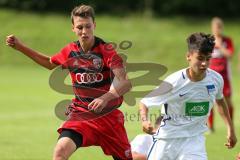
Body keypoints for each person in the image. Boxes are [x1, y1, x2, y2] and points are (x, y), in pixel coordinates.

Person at [6, 4, 133, 160]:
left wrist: (104, 98)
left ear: (94, 25)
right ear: (73, 28)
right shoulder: (70, 51)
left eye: (88, 26)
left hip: (110, 119)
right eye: (80, 27)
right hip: (82, 116)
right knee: (60, 152)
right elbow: (48, 62)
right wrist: (20, 47)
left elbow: (125, 83)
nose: (84, 31)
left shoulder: (107, 51)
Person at [139, 32, 237, 160]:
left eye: (208, 58)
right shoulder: (173, 82)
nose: (204, 63)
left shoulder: (216, 79)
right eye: (200, 58)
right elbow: (145, 102)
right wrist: (145, 121)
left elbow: (220, 101)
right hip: (167, 140)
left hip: (194, 141)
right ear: (188, 56)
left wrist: (230, 128)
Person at [208, 17, 235, 132]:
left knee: (227, 101)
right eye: (215, 27)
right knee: (210, 101)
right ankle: (210, 126)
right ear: (212, 28)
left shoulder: (227, 40)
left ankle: (231, 124)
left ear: (222, 28)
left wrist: (220, 46)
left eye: (219, 27)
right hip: (211, 76)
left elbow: (230, 54)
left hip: (225, 76)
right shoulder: (209, 41)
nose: (217, 29)